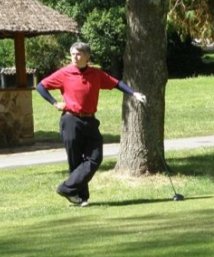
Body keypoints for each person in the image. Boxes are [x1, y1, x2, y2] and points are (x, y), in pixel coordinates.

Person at [36, 42, 146, 207]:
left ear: (87, 57)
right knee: (75, 160)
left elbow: (116, 83)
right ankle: (81, 197)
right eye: (73, 54)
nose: (75, 57)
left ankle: (66, 188)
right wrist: (55, 103)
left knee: (95, 157)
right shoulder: (65, 73)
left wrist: (134, 93)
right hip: (70, 119)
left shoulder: (96, 74)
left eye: (79, 54)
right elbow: (41, 86)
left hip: (90, 120)